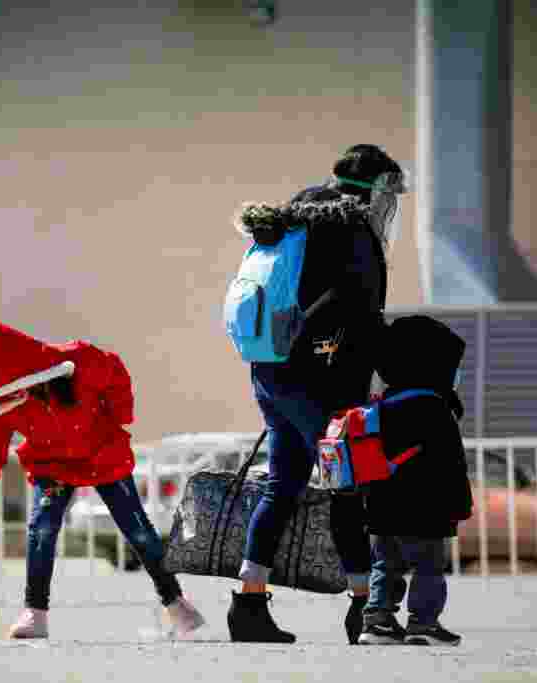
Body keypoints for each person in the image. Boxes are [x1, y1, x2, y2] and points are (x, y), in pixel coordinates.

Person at [227, 145, 406, 643]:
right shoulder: (352, 229)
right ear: (375, 189)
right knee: (349, 485)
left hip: (271, 372)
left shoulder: (296, 216)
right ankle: (367, 610)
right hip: (323, 378)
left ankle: (249, 605)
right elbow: (357, 310)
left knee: (281, 487)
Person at [0, 322, 205, 639]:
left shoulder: (77, 360)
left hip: (102, 455)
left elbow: (116, 374)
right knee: (41, 528)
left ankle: (176, 604)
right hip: (52, 465)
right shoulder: (2, 402)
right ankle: (35, 612)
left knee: (138, 531)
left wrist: (117, 418)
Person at [358, 315, 473, 646]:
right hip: (425, 510)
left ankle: (377, 622)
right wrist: (459, 505)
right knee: (428, 567)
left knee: (385, 565)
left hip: (382, 510)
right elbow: (451, 464)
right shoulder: (435, 408)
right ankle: (423, 624)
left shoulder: (381, 406)